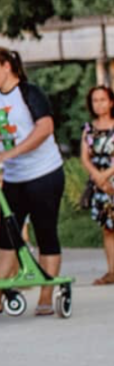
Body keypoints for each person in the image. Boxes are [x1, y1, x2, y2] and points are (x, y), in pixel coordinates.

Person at [0, 47, 65, 318]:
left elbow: (45, 127)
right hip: (14, 178)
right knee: (7, 236)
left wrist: (12, 153)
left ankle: (46, 295)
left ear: (6, 66)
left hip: (44, 172)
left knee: (45, 232)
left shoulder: (29, 93)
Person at [81, 85, 114, 285]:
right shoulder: (89, 129)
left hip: (110, 175)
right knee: (108, 227)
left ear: (111, 102)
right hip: (99, 182)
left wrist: (107, 176)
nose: (99, 104)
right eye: (95, 100)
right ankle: (112, 271)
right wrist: (98, 177)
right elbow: (85, 157)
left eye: (103, 100)